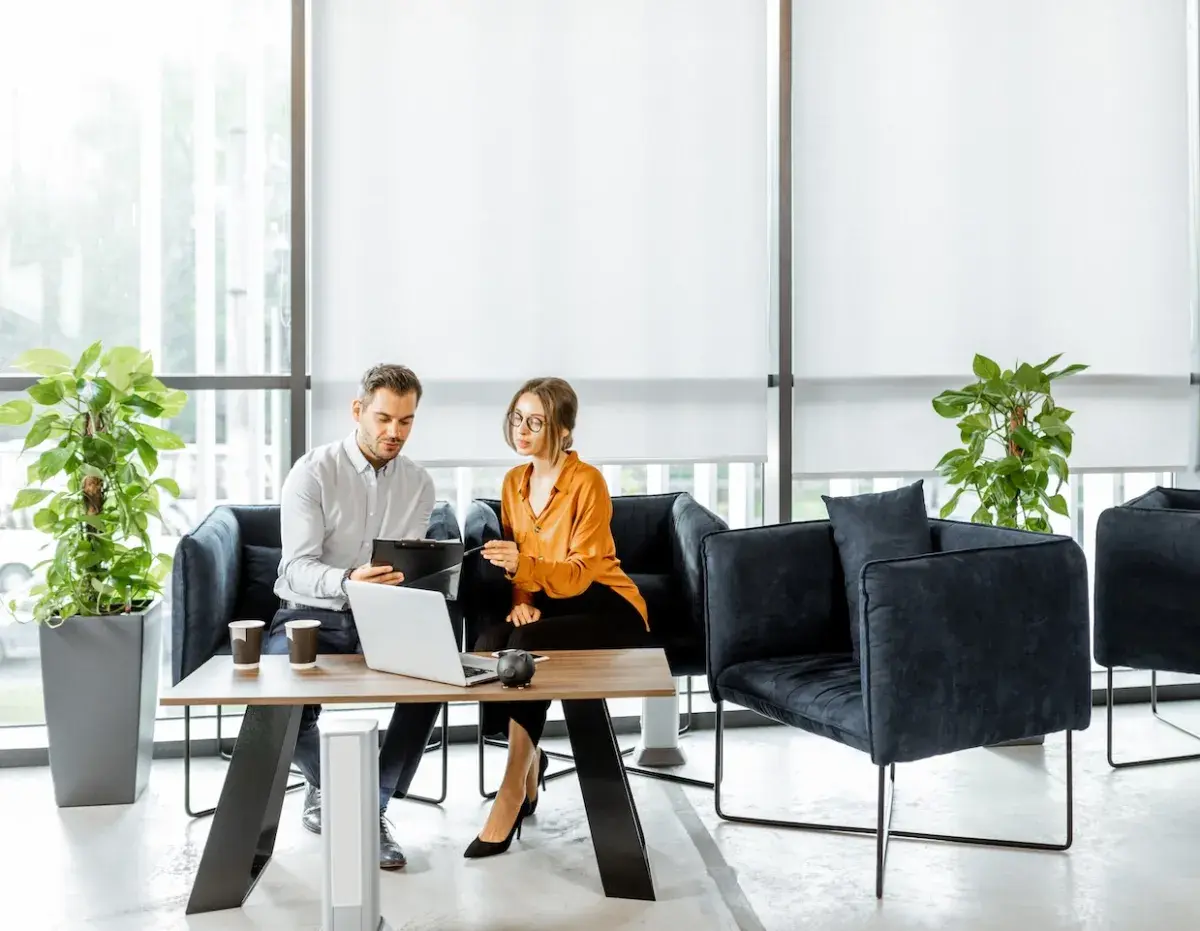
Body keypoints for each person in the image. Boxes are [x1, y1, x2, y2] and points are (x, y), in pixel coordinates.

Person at [465, 377, 649, 859]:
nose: (521, 429)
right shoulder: (513, 482)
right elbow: (515, 556)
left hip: (605, 601)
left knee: (523, 651)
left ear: (563, 429)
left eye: (536, 421)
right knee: (488, 639)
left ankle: (512, 790)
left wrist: (525, 571)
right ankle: (531, 760)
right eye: (516, 418)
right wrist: (521, 596)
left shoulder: (587, 482)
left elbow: (578, 576)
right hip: (554, 601)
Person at [266, 363, 441, 870]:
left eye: (406, 422)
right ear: (358, 410)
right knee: (276, 698)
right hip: (310, 613)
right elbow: (294, 567)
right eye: (385, 418)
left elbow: (404, 563)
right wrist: (347, 582)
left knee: (437, 682)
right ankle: (348, 795)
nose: (394, 433)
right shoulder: (313, 472)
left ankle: (371, 804)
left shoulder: (418, 482)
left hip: (383, 616)